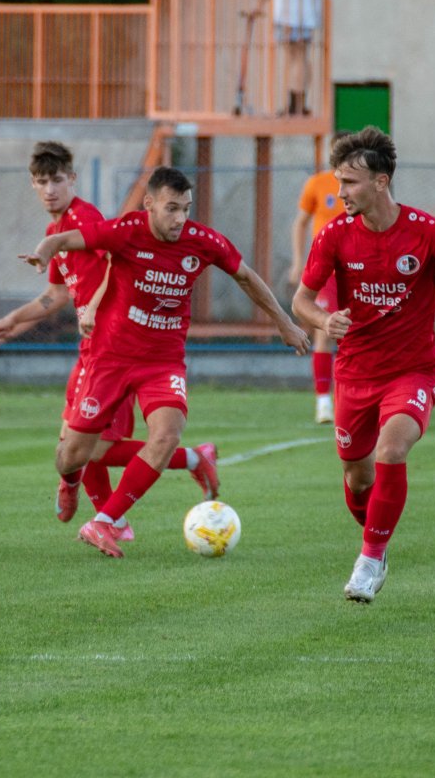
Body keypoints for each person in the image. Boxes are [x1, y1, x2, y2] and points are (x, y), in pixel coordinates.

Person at [22, 166, 310, 558]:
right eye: (171, 208)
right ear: (150, 204)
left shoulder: (201, 240)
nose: (180, 219)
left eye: (186, 209)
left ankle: (105, 522)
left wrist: (284, 323)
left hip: (163, 361)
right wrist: (43, 252)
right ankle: (70, 483)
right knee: (74, 455)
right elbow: (66, 239)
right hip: (110, 358)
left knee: (167, 433)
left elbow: (245, 276)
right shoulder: (126, 230)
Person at [291, 127, 435, 603]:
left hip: (412, 372)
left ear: (381, 183)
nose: (340, 192)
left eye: (349, 183)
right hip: (355, 373)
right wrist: (326, 319)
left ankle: (368, 560)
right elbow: (301, 300)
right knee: (357, 475)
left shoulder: (426, 232)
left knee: (391, 450)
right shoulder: (334, 236)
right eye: (339, 181)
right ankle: (377, 542)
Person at [0, 142, 221, 533]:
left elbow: (118, 263)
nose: (50, 190)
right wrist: (17, 317)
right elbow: (58, 294)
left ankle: (174, 472)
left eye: (57, 180)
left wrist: (95, 306)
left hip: (114, 346)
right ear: (33, 184)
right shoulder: (54, 230)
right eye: (42, 182)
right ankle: (103, 505)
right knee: (78, 446)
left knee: (92, 448)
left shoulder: (85, 218)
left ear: (72, 180)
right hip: (93, 349)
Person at [285, 133, 348, 424]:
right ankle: (323, 401)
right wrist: (299, 261)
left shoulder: (366, 186)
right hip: (327, 271)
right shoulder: (317, 183)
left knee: (355, 336)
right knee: (325, 330)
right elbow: (300, 223)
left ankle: (351, 396)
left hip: (359, 271)